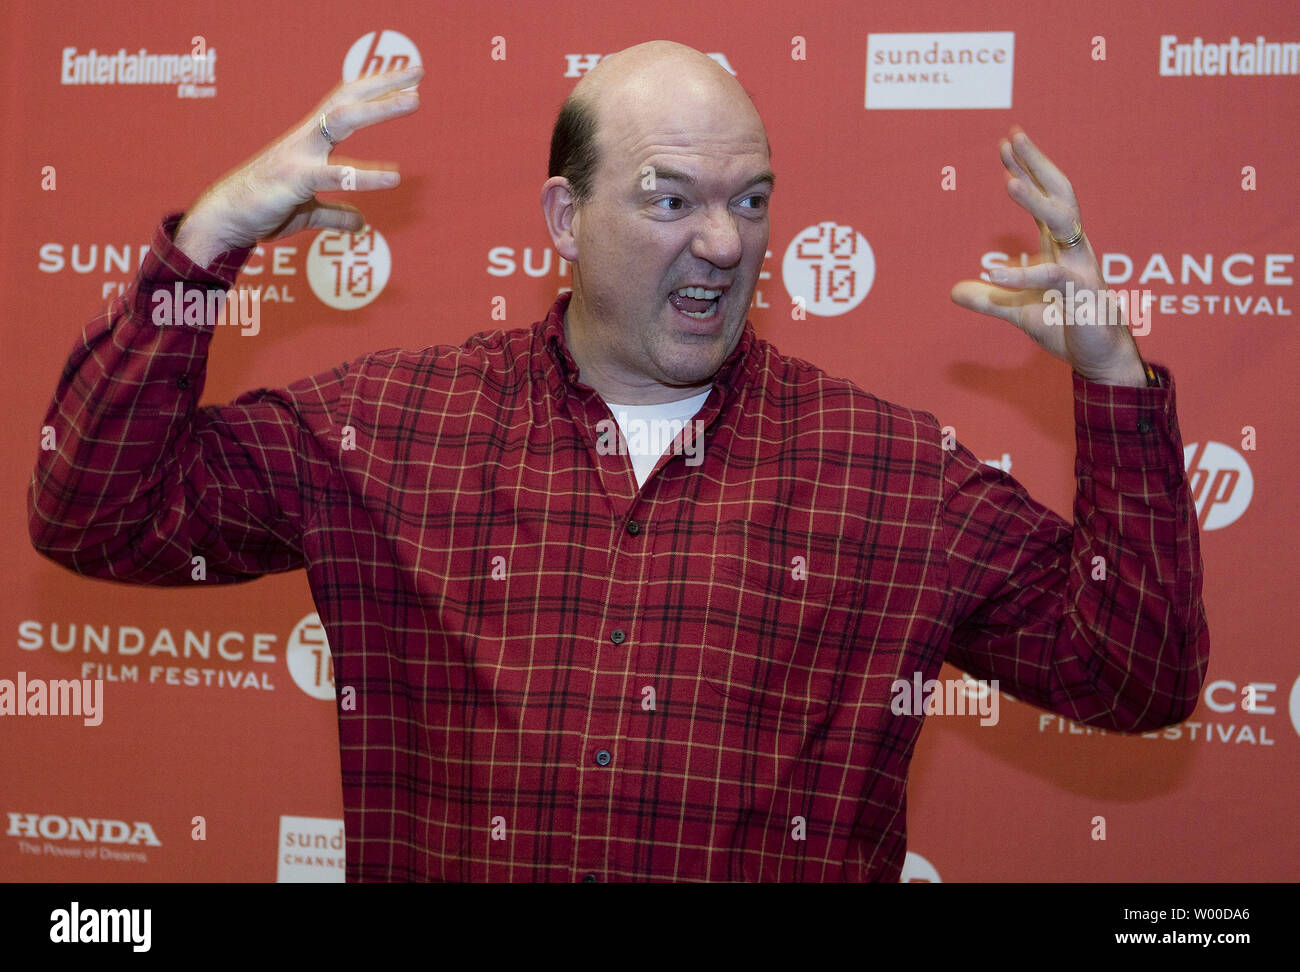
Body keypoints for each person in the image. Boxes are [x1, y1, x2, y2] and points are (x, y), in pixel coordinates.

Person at [29, 41, 1208, 882]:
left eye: (751, 200)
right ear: (560, 217)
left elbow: (1135, 676)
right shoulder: (385, 427)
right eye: (669, 198)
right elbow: (96, 515)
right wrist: (208, 248)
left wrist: (1110, 380)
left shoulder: (889, 470)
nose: (723, 240)